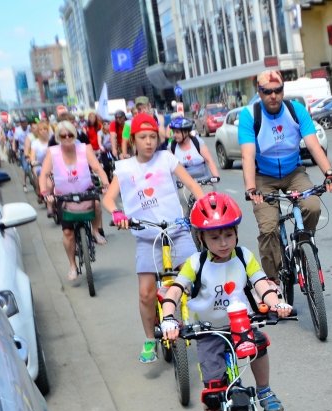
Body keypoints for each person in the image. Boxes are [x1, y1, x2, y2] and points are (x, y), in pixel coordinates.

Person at [159, 193, 291, 411]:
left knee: (260, 343)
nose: (223, 243)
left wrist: (275, 302)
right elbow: (175, 290)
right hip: (207, 331)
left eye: (228, 235)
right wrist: (169, 317)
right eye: (214, 237)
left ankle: (264, 390)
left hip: (240, 324)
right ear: (201, 239)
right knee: (213, 388)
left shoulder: (244, 256)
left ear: (237, 234)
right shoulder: (196, 264)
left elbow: (261, 283)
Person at [101, 113, 205, 363]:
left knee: (198, 278)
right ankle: (149, 338)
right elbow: (108, 198)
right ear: (133, 140)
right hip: (147, 238)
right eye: (142, 137)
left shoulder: (167, 158)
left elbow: (192, 184)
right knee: (146, 293)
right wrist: (117, 214)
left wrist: (205, 203)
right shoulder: (125, 168)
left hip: (177, 232)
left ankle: (205, 324)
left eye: (152, 137)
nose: (148, 142)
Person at [239, 69, 332, 282]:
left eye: (278, 90)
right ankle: (273, 283)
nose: (273, 96)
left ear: (283, 90)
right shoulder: (249, 115)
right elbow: (247, 155)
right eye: (267, 92)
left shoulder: (296, 110)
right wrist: (250, 189)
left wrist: (329, 173)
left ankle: (305, 243)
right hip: (263, 177)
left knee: (312, 206)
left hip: (294, 172)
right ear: (259, 92)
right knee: (268, 229)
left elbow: (313, 145)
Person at [39, 120, 110, 280]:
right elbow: (43, 174)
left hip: (85, 191)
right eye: (63, 135)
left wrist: (106, 184)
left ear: (75, 135)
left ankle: (95, 231)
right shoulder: (53, 152)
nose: (67, 138)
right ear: (58, 137)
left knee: (97, 204)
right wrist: (45, 192)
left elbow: (98, 168)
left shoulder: (84, 149)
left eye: (70, 134)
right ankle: (72, 265)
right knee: (68, 233)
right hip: (64, 196)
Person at [167, 116, 219, 185]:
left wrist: (216, 176)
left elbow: (209, 160)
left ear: (186, 132)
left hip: (204, 182)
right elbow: (169, 168)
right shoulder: (172, 146)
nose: (174, 135)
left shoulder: (197, 142)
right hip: (185, 185)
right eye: (173, 132)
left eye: (177, 132)